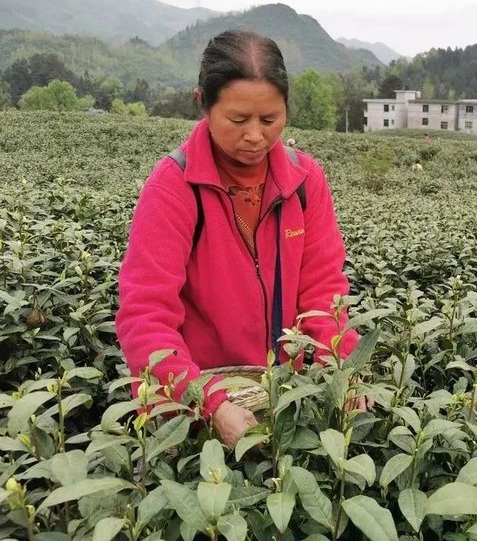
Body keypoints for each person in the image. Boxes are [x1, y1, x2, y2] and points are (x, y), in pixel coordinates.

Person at [116, 30, 359, 447]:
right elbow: (145, 314)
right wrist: (206, 403)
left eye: (269, 120)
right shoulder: (174, 187)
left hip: (285, 398)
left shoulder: (305, 180)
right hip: (194, 408)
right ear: (204, 104)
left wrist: (343, 371)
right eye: (238, 120)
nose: (255, 136)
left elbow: (323, 288)